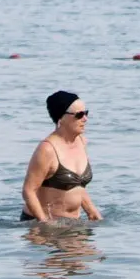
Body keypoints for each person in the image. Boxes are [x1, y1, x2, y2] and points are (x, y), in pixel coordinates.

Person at [21, 91, 103, 222]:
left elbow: (78, 186)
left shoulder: (82, 141)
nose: (85, 119)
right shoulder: (47, 149)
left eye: (86, 113)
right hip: (43, 224)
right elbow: (28, 191)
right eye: (79, 115)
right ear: (61, 118)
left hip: (73, 223)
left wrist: (92, 212)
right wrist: (44, 223)